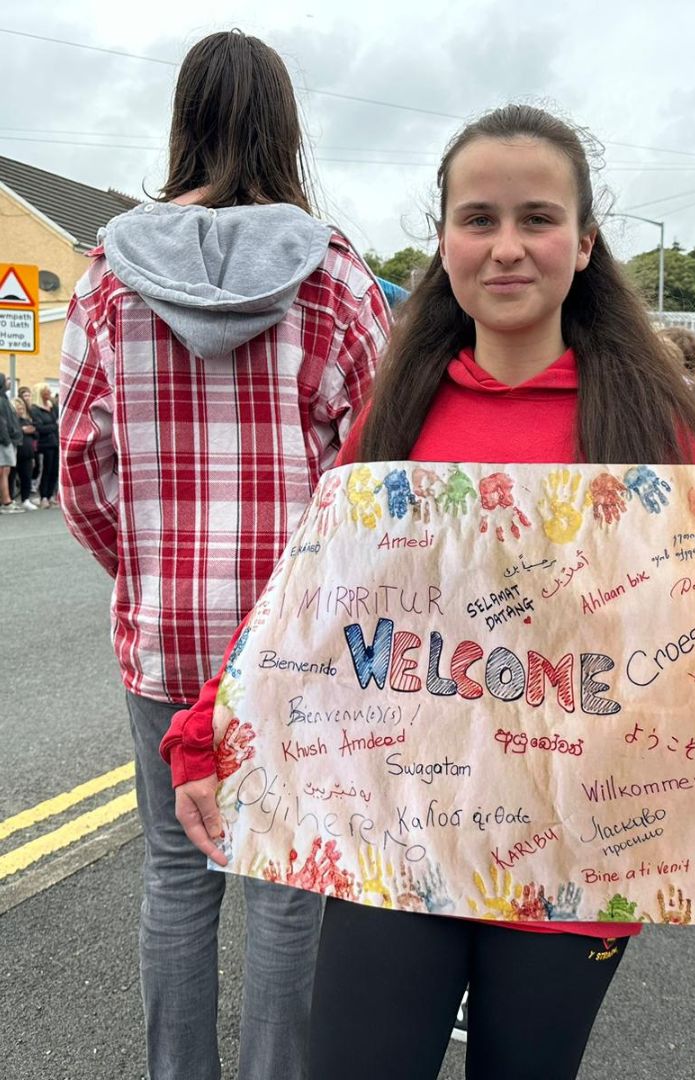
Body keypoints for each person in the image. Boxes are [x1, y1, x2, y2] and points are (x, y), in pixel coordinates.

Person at [161, 103, 695, 1077]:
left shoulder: (650, 424)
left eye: (537, 219)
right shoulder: (398, 413)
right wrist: (207, 732)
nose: (506, 246)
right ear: (443, 242)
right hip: (401, 830)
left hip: (580, 846)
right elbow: (314, 597)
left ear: (585, 243)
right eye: (479, 219)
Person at [57, 31, 388, 1080]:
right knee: (286, 883)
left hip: (165, 639)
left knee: (174, 873)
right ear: (285, 129)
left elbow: (82, 473)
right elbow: (371, 483)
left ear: (183, 121)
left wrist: (148, 573)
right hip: (300, 647)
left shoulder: (107, 280)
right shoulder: (337, 279)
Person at [28, 385, 58, 505]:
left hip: (55, 442)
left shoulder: (52, 406)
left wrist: (53, 426)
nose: (50, 393)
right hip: (44, 444)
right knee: (45, 470)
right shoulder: (35, 409)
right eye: (47, 391)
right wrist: (55, 426)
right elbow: (39, 427)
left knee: (54, 470)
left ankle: (50, 495)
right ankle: (43, 496)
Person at [0, 385, 20, 513]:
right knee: (3, 471)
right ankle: (6, 502)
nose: (8, 382)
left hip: (8, 440)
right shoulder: (1, 401)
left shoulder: (4, 399)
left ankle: (7, 500)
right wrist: (7, 440)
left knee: (5, 470)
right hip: (4, 441)